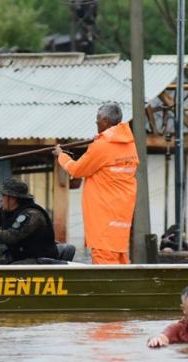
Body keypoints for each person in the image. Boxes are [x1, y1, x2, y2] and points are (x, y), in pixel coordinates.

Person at [52, 102, 139, 265]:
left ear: (105, 121)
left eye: (97, 120)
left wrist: (61, 156)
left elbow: (77, 170)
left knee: (105, 266)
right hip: (121, 217)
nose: (96, 123)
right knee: (120, 260)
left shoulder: (103, 145)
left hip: (103, 217)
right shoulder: (129, 144)